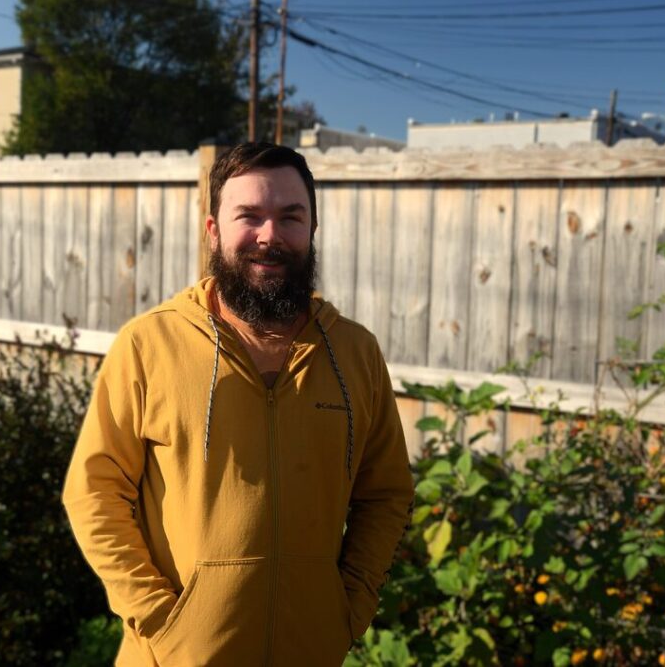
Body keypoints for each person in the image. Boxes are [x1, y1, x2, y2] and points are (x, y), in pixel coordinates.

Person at [62, 142, 414, 666]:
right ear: (213, 231)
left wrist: (350, 607)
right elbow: (93, 493)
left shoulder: (355, 353)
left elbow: (385, 493)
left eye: (290, 217)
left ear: (312, 231)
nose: (269, 236)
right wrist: (161, 619)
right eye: (248, 216)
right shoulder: (148, 345)